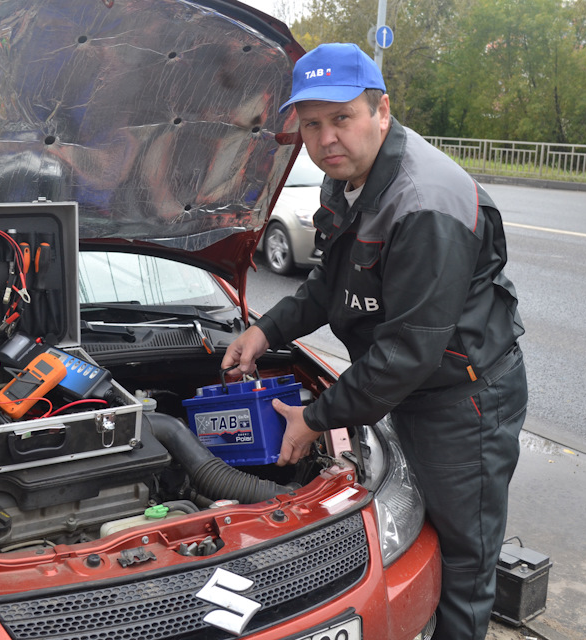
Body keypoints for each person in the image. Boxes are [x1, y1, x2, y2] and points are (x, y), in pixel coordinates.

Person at [221, 42, 527, 640]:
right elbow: (330, 283)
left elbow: (407, 350)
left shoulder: (424, 205)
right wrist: (266, 328)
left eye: (343, 118)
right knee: (423, 528)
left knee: (467, 555)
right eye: (312, 124)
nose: (327, 137)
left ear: (381, 111)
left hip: (463, 400)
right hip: (411, 384)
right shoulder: (347, 181)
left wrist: (315, 416)